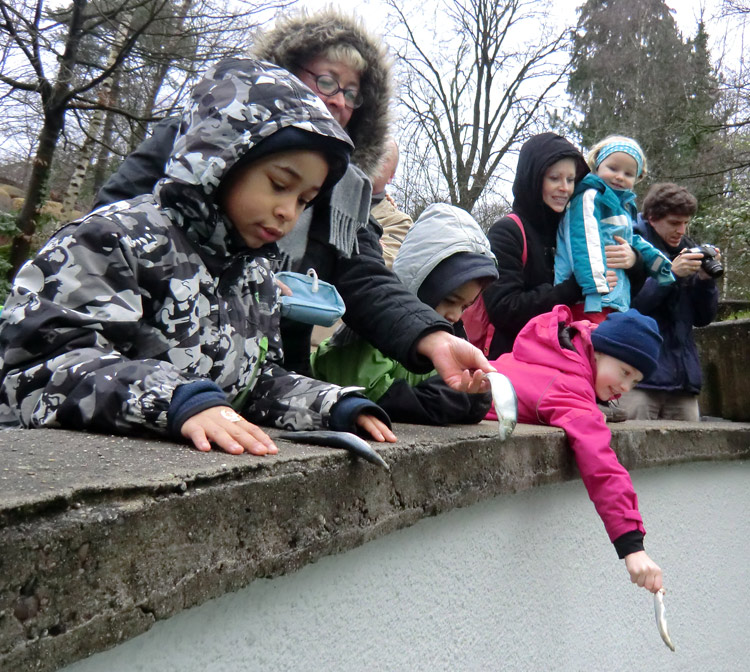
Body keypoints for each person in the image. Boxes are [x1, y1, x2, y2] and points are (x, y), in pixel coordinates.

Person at [0, 58, 397, 455]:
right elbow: (40, 367)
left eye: (304, 200)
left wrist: (333, 405)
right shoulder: (112, 240)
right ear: (222, 159)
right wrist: (176, 401)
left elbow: (256, 382)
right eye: (279, 184)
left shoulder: (255, 274)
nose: (288, 212)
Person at [92, 8, 492, 393]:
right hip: (148, 367)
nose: (340, 101)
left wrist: (432, 336)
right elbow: (110, 232)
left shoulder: (347, 192)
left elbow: (364, 279)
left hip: (273, 376)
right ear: (282, 71)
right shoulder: (194, 138)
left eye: (352, 94)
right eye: (328, 81)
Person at [488, 306, 664, 592]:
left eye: (635, 381)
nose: (625, 387)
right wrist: (632, 546)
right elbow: (601, 463)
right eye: (624, 371)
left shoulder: (552, 353)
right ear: (597, 351)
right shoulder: (570, 390)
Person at [311, 203, 497, 425]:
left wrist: (476, 395)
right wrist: (451, 401)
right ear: (422, 282)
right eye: (450, 300)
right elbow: (373, 394)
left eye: (465, 307)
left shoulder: (451, 336)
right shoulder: (371, 333)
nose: (456, 315)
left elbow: (461, 398)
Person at [618, 183, 720, 421]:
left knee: (691, 457)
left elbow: (703, 318)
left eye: (685, 223)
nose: (681, 231)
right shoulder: (628, 247)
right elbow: (628, 309)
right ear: (652, 218)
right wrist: (670, 275)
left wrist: (705, 281)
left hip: (682, 383)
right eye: (674, 223)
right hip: (637, 380)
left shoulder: (688, 250)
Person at [554, 135, 674, 323]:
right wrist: (594, 288)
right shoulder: (590, 197)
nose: (619, 176)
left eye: (628, 174)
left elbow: (632, 240)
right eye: (613, 168)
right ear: (598, 165)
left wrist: (659, 265)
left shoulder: (621, 207)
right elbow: (584, 241)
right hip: (589, 301)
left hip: (614, 300)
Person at [369, 136, 414, 268]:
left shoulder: (400, 222)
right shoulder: (324, 195)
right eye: (369, 151)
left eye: (383, 157)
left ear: (391, 176)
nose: (372, 159)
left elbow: (382, 265)